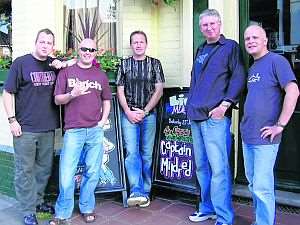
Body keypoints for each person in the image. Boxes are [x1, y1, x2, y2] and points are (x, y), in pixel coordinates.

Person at [186, 9, 246, 225]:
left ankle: (224, 217)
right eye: (205, 25)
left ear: (220, 24)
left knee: (219, 168)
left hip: (215, 118)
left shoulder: (230, 47)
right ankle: (207, 208)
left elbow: (239, 76)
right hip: (195, 115)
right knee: (202, 167)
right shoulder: (201, 49)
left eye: (212, 24)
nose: (209, 28)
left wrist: (225, 104)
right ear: (201, 28)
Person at [2, 28, 66, 225]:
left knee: (44, 169)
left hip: (47, 128)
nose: (45, 45)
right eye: (42, 42)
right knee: (25, 170)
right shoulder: (21, 63)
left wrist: (62, 64)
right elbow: (7, 93)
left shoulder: (54, 65)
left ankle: (38, 202)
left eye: (49, 43)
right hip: (25, 129)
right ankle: (28, 210)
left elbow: (78, 65)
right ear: (35, 42)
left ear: (53, 46)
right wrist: (12, 120)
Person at [49, 38, 112, 225]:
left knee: (93, 172)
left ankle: (86, 207)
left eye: (91, 50)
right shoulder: (67, 72)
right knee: (67, 173)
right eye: (84, 49)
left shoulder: (100, 75)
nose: (87, 52)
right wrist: (72, 95)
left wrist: (102, 121)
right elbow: (57, 100)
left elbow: (106, 99)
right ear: (79, 50)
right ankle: (62, 212)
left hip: (95, 130)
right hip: (73, 131)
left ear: (95, 53)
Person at [241, 25, 299, 225]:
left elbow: (293, 91)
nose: (250, 41)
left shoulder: (277, 61)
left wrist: (280, 125)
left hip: (266, 137)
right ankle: (260, 221)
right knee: (253, 184)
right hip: (248, 135)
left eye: (255, 37)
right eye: (247, 38)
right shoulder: (253, 67)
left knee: (262, 187)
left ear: (266, 40)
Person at [116, 30, 165, 207]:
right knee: (131, 152)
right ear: (131, 45)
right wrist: (128, 112)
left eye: (141, 42)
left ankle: (146, 190)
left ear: (146, 43)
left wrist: (144, 111)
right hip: (128, 115)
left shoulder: (154, 64)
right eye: (135, 42)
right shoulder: (124, 64)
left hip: (149, 115)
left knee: (146, 154)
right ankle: (136, 190)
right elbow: (120, 90)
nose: (138, 45)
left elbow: (159, 90)